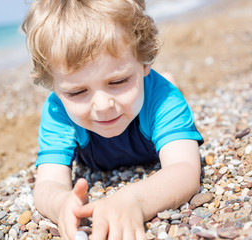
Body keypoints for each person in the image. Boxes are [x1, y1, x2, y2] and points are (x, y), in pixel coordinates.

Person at [22, 0, 204, 239]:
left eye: (117, 82)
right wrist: (61, 203)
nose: (103, 106)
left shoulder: (162, 99)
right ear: (53, 86)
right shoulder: (59, 112)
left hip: (153, 100)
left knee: (166, 91)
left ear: (145, 61)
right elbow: (47, 183)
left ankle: (162, 80)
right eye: (77, 92)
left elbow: (185, 170)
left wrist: (135, 201)